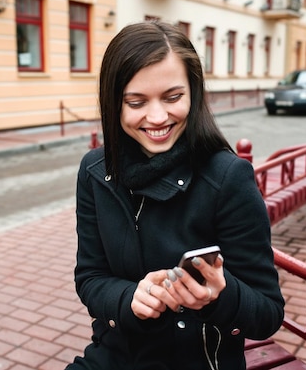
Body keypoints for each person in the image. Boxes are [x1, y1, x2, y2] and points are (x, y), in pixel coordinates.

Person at [66, 20, 284, 370]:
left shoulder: (228, 178)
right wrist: (129, 298)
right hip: (114, 357)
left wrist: (219, 296)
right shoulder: (95, 171)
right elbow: (90, 277)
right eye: (136, 102)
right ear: (114, 103)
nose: (157, 117)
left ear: (193, 93)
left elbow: (268, 313)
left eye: (172, 97)